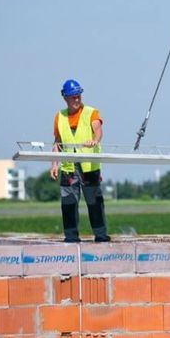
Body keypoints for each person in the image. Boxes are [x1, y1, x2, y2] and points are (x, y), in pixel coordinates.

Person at [49, 79, 110, 243]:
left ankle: (101, 235)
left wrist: (94, 140)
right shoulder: (59, 117)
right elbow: (57, 142)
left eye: (78, 96)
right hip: (68, 166)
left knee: (94, 202)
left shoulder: (91, 113)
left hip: (88, 166)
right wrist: (54, 164)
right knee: (68, 203)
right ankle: (71, 237)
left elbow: (98, 130)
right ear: (65, 98)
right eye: (73, 97)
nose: (76, 100)